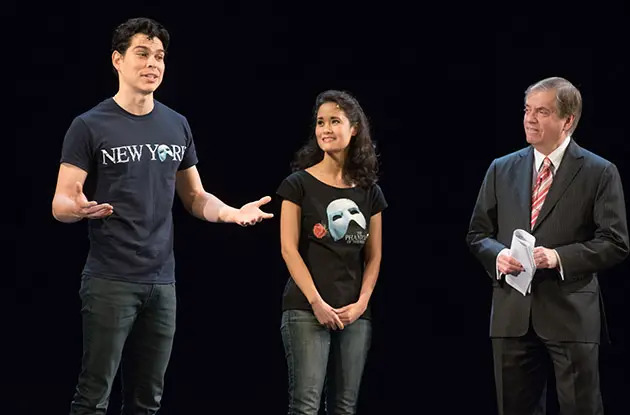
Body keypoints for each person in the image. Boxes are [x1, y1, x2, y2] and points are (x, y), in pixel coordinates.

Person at [51, 17, 273, 414]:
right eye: (142, 54)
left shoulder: (176, 125)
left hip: (162, 284)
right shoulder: (88, 125)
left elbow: (195, 197)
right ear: (117, 60)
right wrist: (78, 209)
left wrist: (231, 214)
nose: (153, 63)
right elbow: (61, 202)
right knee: (93, 397)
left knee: (147, 400)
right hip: (110, 279)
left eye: (160, 56)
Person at [466, 76, 629, 414]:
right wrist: (499, 256)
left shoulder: (599, 172)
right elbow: (478, 234)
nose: (530, 119)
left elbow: (615, 242)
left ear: (567, 120)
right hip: (512, 315)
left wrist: (557, 257)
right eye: (527, 110)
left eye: (542, 112)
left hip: (570, 316)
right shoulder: (501, 169)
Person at [276, 90, 387, 414]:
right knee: (305, 406)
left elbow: (374, 255)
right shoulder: (297, 184)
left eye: (334, 121)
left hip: (355, 313)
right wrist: (317, 303)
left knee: (345, 407)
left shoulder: (369, 192)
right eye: (321, 122)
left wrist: (362, 304)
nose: (325, 128)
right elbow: (288, 249)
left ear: (354, 129)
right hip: (306, 310)